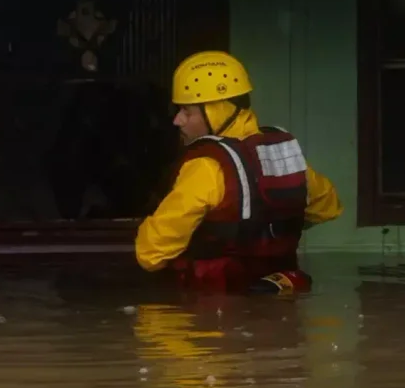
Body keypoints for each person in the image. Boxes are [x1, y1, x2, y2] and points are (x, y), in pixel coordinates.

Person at [135, 50, 343, 295]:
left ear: (216, 111)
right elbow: (328, 207)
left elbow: (150, 254)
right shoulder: (280, 153)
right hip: (279, 304)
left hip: (213, 309)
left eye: (187, 112)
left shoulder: (206, 167)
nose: (177, 120)